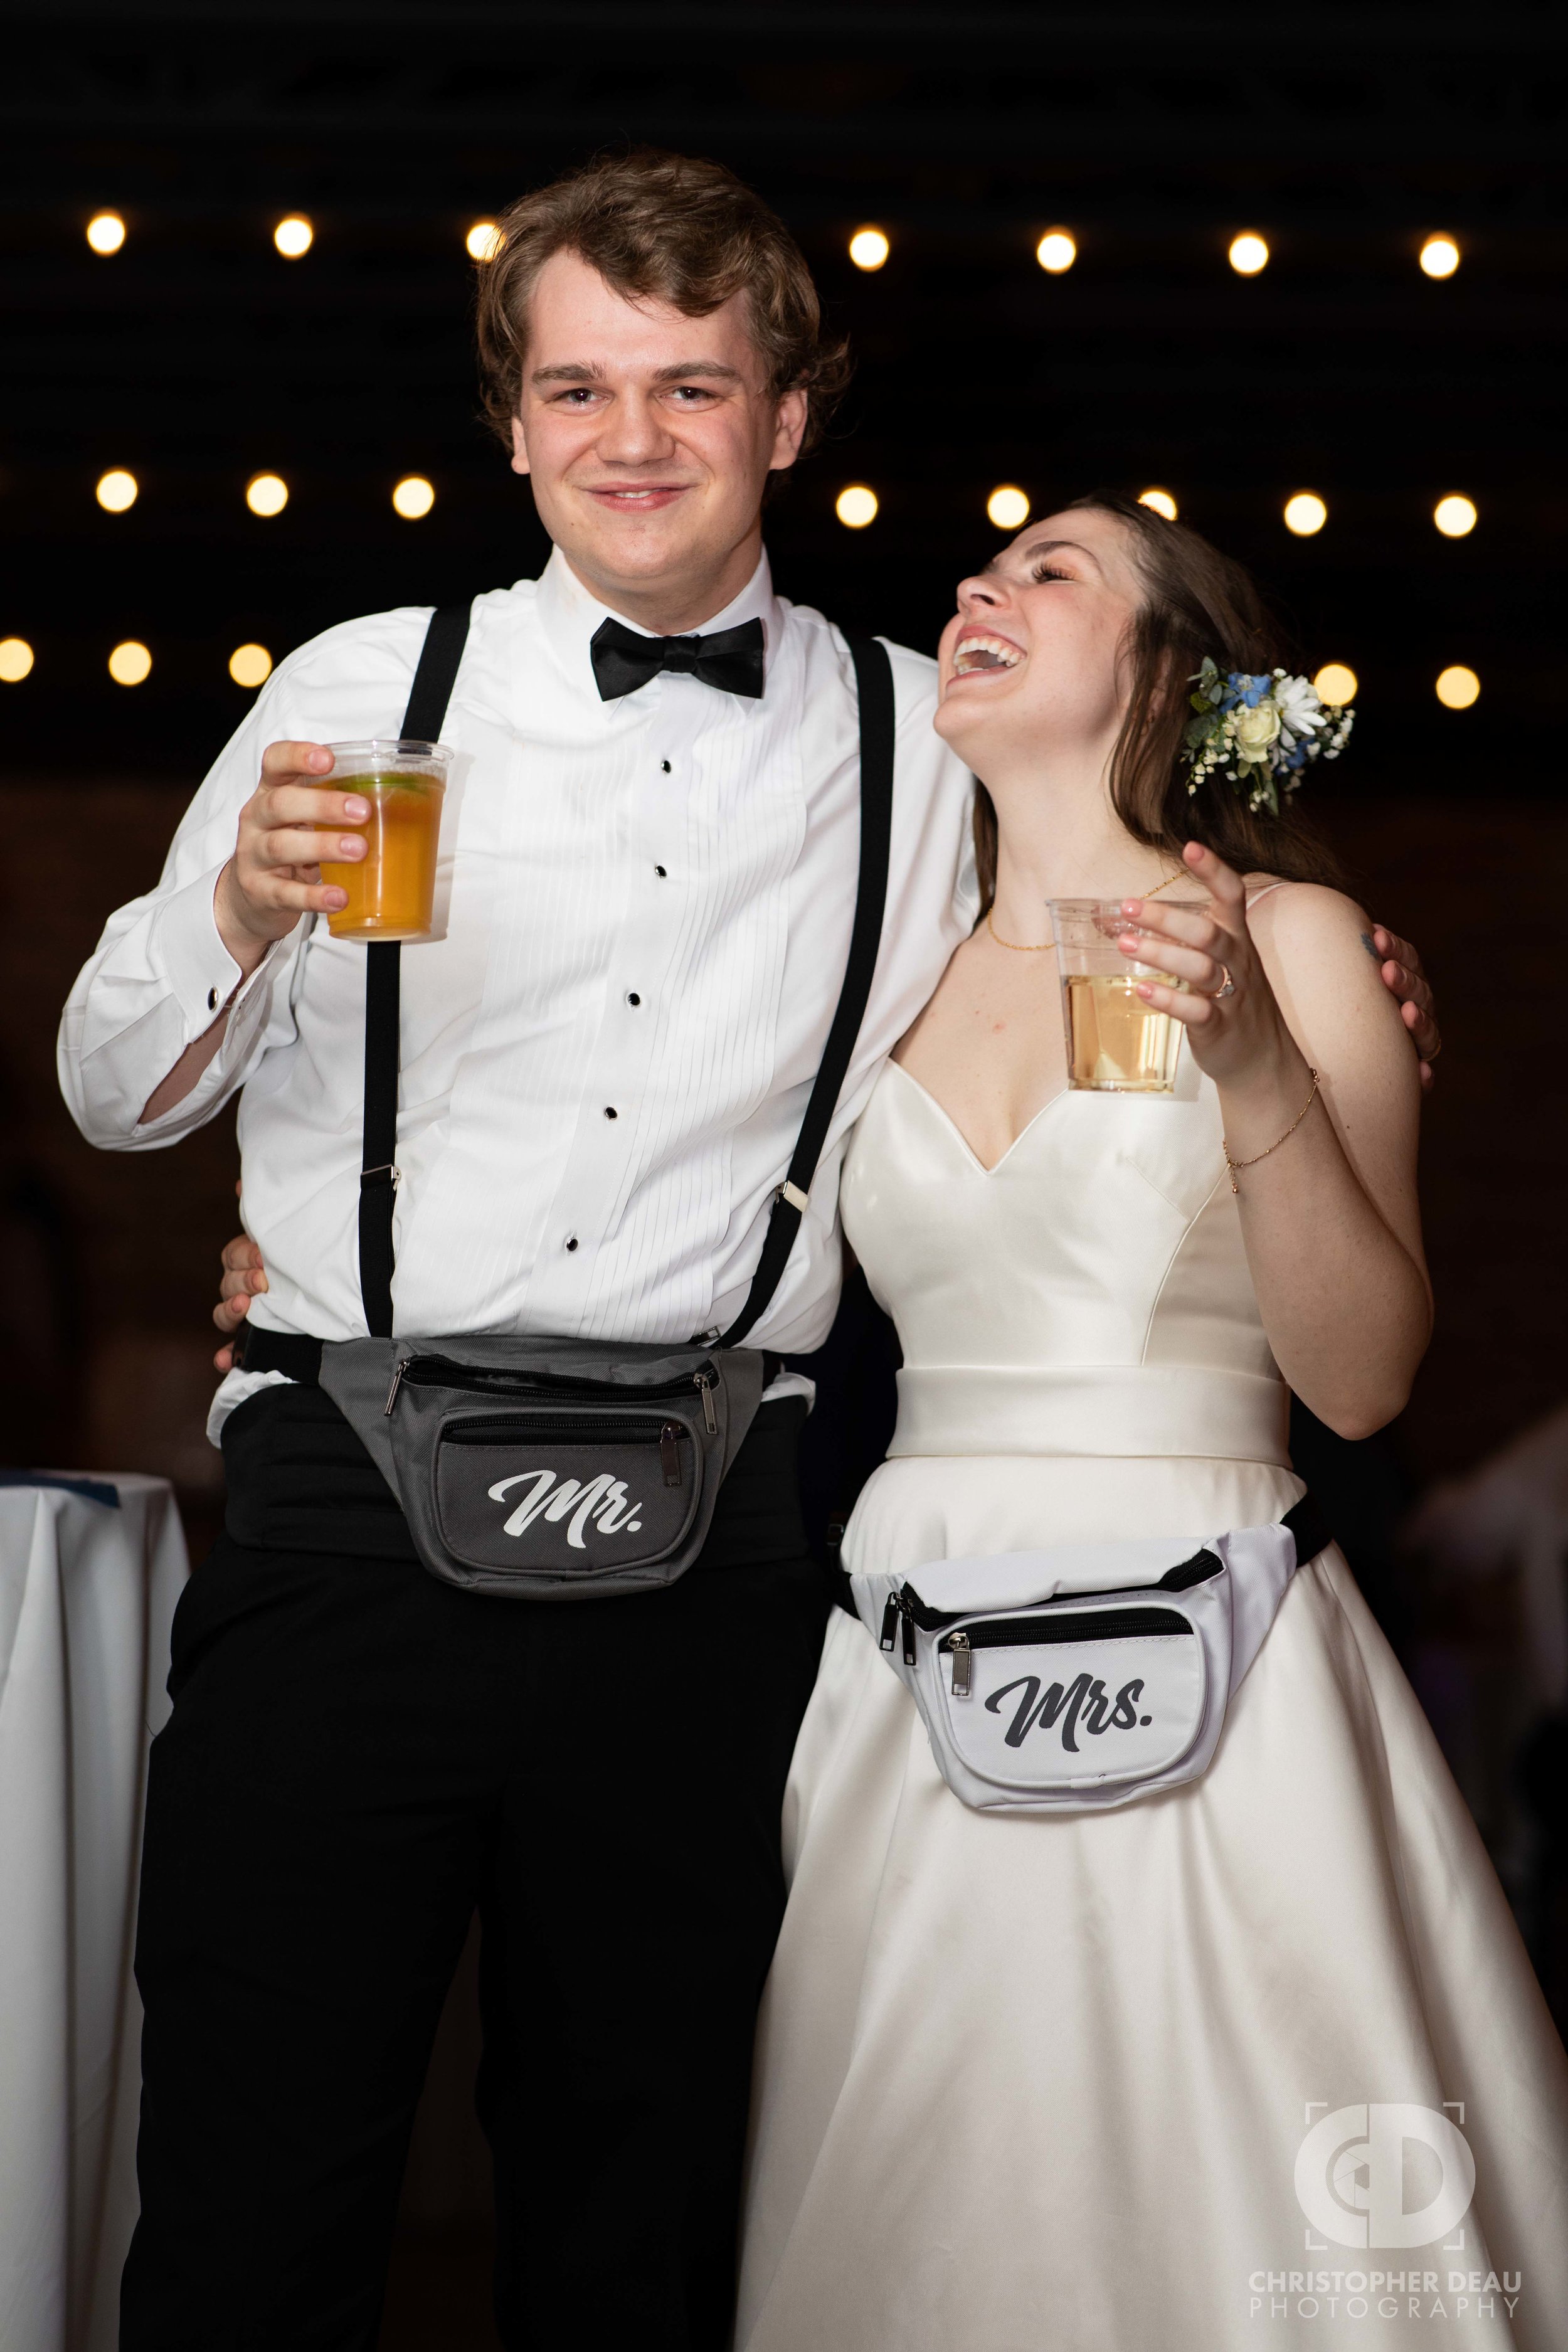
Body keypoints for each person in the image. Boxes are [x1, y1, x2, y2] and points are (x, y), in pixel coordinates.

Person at [60, 149, 1437, 2350]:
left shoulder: (927, 740)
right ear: (509, 422)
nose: (632, 440)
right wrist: (229, 924)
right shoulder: (349, 680)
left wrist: (1321, 948)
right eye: (581, 388)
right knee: (254, 2179)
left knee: (651, 2204)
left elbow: (1141, 848)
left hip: (710, 1561)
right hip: (345, 1513)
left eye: (690, 388)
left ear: (786, 417)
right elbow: (112, 1088)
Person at [734, 496, 1568, 2351]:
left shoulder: (1295, 934)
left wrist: (1261, 1053)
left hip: (1216, 1618)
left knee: (1235, 2175)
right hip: (913, 1635)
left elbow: (1358, 1379)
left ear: (1171, 677)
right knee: (943, 2186)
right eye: (981, 567)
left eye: (1051, 572)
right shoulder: (870, 980)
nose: (979, 585)